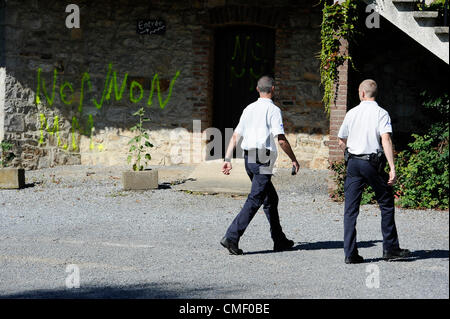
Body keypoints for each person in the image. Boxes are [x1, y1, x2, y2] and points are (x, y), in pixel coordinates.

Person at [220, 76, 300, 255]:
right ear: (273, 89)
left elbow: (235, 135)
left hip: (249, 158)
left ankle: (279, 240)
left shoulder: (249, 108)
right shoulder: (273, 110)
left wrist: (227, 159)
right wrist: (294, 159)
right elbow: (280, 139)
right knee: (255, 199)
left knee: (271, 199)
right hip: (263, 158)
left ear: (257, 89)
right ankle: (231, 236)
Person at [338, 79, 410, 264]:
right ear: (374, 94)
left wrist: (351, 148)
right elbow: (385, 139)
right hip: (372, 164)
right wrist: (392, 167)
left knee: (350, 210)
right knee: (386, 203)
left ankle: (350, 254)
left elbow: (341, 140)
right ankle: (390, 248)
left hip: (353, 163)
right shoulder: (381, 113)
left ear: (362, 93)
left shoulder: (351, 113)